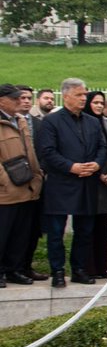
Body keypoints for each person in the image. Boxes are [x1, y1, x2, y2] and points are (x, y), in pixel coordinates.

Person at [37, 78, 107, 288]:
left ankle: (79, 269)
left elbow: (103, 147)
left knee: (84, 230)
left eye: (85, 94)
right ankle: (57, 270)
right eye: (79, 95)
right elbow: (47, 152)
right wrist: (71, 167)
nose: (83, 98)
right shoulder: (51, 121)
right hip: (61, 183)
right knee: (57, 232)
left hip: (87, 183)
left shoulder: (92, 121)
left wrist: (96, 164)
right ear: (66, 96)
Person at [0, 84, 43, 288]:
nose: (20, 101)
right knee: (4, 233)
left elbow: (30, 151)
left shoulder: (20, 120)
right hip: (6, 192)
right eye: (15, 98)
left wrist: (37, 176)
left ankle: (14, 270)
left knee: (21, 233)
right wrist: (6, 181)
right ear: (2, 100)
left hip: (27, 187)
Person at [83, 90, 107, 278]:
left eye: (101, 103)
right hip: (90, 181)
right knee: (87, 227)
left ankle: (101, 267)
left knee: (102, 226)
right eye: (95, 102)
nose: (99, 106)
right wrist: (98, 172)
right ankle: (87, 268)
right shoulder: (83, 123)